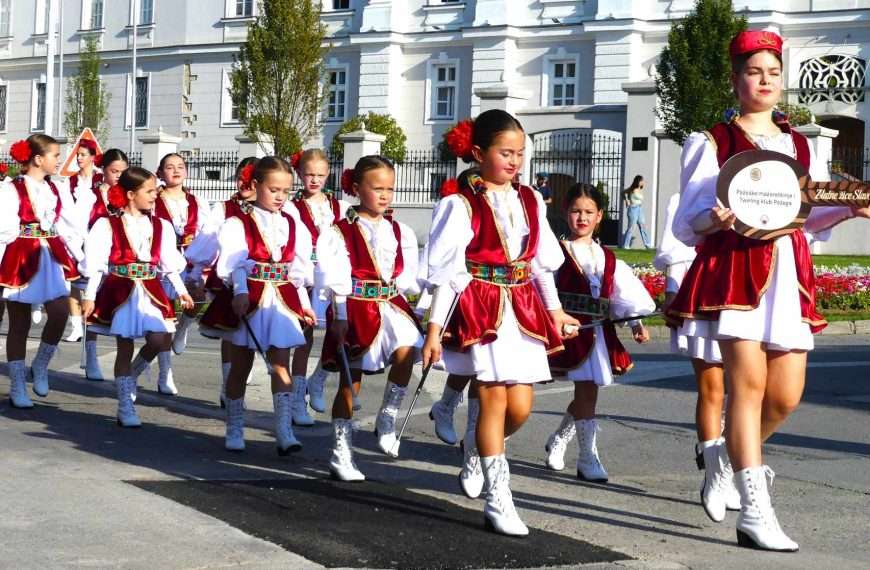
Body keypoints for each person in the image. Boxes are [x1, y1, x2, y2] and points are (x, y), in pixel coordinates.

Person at [667, 29, 870, 552]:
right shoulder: (713, 141)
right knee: (748, 387)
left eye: (774, 73)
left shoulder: (799, 144)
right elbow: (687, 221)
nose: (765, 81)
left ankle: (724, 461)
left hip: (787, 272)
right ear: (736, 79)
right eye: (754, 72)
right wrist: (713, 220)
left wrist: (848, 207)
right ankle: (755, 511)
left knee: (785, 395)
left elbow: (806, 215)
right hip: (735, 267)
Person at [423, 110, 579, 536]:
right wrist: (434, 331)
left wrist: (555, 310)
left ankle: (476, 448)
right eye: (505, 152)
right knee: (493, 401)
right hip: (482, 307)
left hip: (523, 307)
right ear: (478, 153)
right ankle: (498, 497)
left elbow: (539, 264)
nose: (514, 161)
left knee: (521, 407)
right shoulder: (460, 204)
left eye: (520, 153)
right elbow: (448, 274)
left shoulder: (530, 199)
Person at [199, 156, 316, 454]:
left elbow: (297, 272)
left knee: (281, 365)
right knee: (241, 367)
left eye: (285, 191)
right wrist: (240, 291)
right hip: (250, 297)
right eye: (273, 190)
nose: (280, 197)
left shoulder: (293, 224)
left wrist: (304, 304)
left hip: (281, 300)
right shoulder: (238, 222)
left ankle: (284, 431)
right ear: (255, 185)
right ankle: (235, 426)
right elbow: (235, 263)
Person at [317, 156, 424, 480]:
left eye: (390, 188)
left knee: (409, 348)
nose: (385, 195)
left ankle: (387, 415)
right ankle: (341, 451)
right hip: (356, 306)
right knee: (351, 382)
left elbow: (407, 276)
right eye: (377, 188)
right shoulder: (340, 231)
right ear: (357, 188)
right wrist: (339, 314)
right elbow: (334, 273)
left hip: (390, 303)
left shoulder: (399, 230)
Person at [545, 182, 655, 482]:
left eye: (588, 212)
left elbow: (623, 293)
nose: (582, 217)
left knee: (588, 391)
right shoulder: (555, 253)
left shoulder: (607, 257)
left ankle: (569, 445)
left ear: (599, 216)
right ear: (565, 213)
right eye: (576, 211)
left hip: (597, 334)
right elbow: (543, 290)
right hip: (567, 332)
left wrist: (636, 322)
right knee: (585, 392)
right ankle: (584, 455)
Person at [80, 168, 194, 427]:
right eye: (149, 191)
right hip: (121, 289)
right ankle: (125, 405)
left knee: (159, 339)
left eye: (156, 190)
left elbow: (169, 264)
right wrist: (89, 296)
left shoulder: (161, 225)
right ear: (131, 194)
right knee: (125, 346)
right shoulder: (108, 224)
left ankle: (131, 375)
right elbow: (97, 265)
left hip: (151, 289)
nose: (155, 195)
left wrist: (182, 291)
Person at [654, 191, 740, 523]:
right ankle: (715, 475)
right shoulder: (690, 191)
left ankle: (727, 465)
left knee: (744, 394)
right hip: (704, 286)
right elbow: (676, 245)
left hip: (746, 290)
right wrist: (672, 291)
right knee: (713, 389)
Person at [0, 135, 82, 408]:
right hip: (21, 255)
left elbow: (69, 225)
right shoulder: (11, 189)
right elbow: (4, 228)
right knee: (19, 324)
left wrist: (80, 257)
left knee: (59, 313)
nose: (59, 160)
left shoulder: (56, 188)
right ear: (38, 158)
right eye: (55, 155)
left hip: (50, 253)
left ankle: (40, 364)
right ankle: (17, 384)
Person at [186, 157, 259, 407]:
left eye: (250, 180)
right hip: (230, 278)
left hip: (264, 281)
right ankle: (228, 386)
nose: (244, 184)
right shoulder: (225, 208)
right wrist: (196, 273)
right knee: (230, 331)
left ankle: (241, 376)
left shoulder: (276, 210)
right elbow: (208, 240)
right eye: (240, 178)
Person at [284, 148, 351, 420]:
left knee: (341, 331)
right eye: (309, 174)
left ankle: (319, 379)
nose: (314, 180)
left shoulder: (339, 206)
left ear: (328, 174)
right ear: (299, 174)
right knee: (305, 335)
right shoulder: (291, 206)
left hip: (331, 275)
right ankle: (298, 399)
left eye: (320, 175)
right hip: (305, 273)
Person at [142, 153, 213, 395]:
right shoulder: (154, 199)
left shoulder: (197, 201)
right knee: (165, 319)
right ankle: (165, 372)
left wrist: (199, 262)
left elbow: (205, 233)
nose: (176, 171)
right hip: (163, 261)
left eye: (180, 166)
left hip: (190, 259)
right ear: (160, 173)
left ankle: (184, 328)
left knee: (197, 298)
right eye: (170, 167)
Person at [73, 148, 130, 381]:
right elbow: (79, 226)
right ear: (103, 170)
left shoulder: (130, 195)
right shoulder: (91, 196)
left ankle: (124, 364)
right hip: (96, 255)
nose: (118, 176)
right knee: (91, 304)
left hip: (122, 258)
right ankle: (91, 356)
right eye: (114, 171)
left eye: (123, 171)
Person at [63, 138, 104, 343]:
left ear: (93, 157)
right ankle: (75, 327)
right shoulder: (70, 181)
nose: (79, 158)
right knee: (73, 282)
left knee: (93, 280)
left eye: (83, 155)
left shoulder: (100, 179)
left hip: (96, 232)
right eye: (77, 154)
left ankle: (92, 324)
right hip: (75, 234)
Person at [620, 175, 652, 249]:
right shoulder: (631, 189)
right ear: (638, 181)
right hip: (633, 209)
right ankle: (626, 245)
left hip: (639, 209)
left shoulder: (640, 190)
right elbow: (622, 193)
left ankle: (647, 244)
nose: (643, 182)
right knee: (631, 227)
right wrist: (627, 200)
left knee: (642, 226)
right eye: (642, 181)